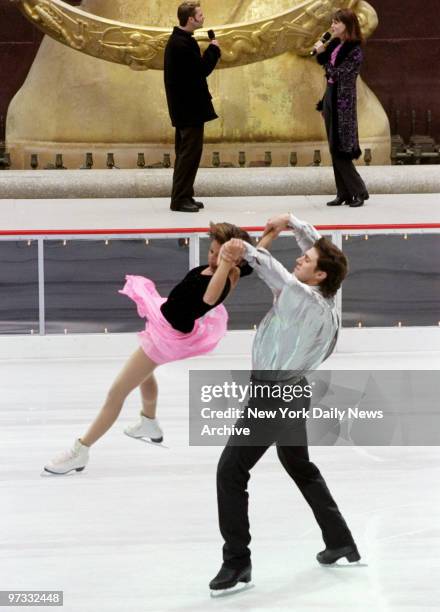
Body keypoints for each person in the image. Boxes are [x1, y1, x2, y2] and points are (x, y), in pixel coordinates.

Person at [209, 213, 360, 593]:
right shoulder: (328, 289)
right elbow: (320, 249)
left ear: (319, 275)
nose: (301, 260)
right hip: (293, 392)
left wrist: (245, 248)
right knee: (300, 466)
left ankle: (237, 562)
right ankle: (340, 540)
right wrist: (294, 223)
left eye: (306, 262)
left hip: (272, 398)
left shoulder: (305, 299)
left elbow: (275, 272)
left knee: (230, 472)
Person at [44, 223, 253, 475]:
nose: (211, 256)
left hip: (167, 337)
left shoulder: (223, 278)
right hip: (165, 323)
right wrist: (270, 235)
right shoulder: (223, 269)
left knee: (116, 393)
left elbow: (209, 297)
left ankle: (80, 451)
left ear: (233, 262)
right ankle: (149, 422)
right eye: (212, 250)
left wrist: (228, 261)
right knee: (146, 372)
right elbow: (253, 256)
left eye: (219, 255)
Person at [164, 2, 220, 213]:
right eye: (200, 15)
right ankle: (179, 199)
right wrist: (214, 49)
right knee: (188, 154)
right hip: (188, 111)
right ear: (190, 19)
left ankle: (185, 195)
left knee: (187, 154)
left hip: (187, 110)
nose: (203, 18)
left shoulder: (182, 41)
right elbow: (202, 70)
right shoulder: (181, 44)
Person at [314, 9, 369, 208]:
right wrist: (324, 102)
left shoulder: (355, 50)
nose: (332, 26)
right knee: (333, 148)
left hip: (343, 104)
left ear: (347, 25)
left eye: (336, 22)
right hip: (331, 98)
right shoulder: (336, 45)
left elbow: (340, 74)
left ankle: (359, 191)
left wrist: (324, 58)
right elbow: (329, 74)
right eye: (332, 22)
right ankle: (343, 193)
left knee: (341, 150)